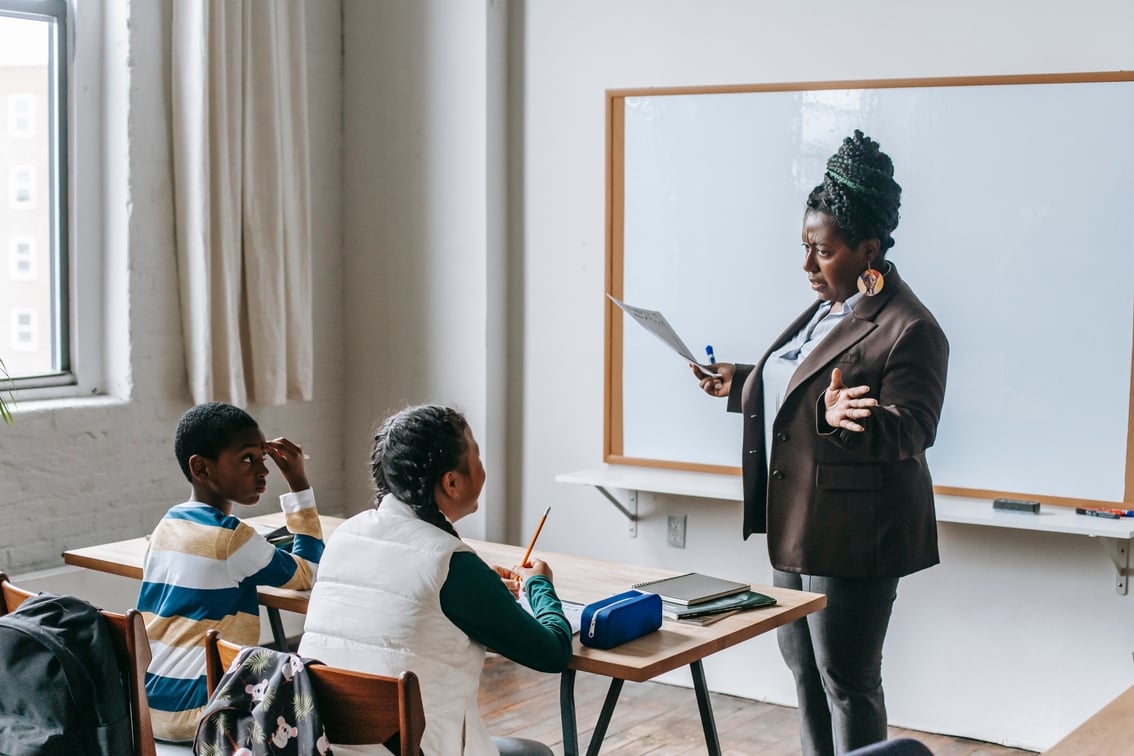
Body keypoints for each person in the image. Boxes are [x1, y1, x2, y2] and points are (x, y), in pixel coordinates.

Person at [691, 130, 948, 756]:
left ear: (867, 249)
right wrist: (744, 381)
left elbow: (914, 429)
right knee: (803, 673)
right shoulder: (830, 306)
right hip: (798, 522)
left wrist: (840, 419)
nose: (807, 265)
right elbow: (802, 380)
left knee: (847, 682)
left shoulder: (911, 327)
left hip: (856, 535)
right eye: (805, 248)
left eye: (821, 251)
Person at [299, 404, 572, 756]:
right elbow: (553, 654)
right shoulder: (451, 565)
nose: (483, 468)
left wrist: (482, 586)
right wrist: (540, 585)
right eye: (477, 456)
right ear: (452, 482)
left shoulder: (346, 534)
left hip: (323, 746)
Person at [138, 401, 325, 742]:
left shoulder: (167, 525)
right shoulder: (233, 539)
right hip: (202, 713)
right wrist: (298, 484)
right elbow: (310, 573)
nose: (263, 471)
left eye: (262, 457)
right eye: (247, 459)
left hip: (146, 710)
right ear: (202, 468)